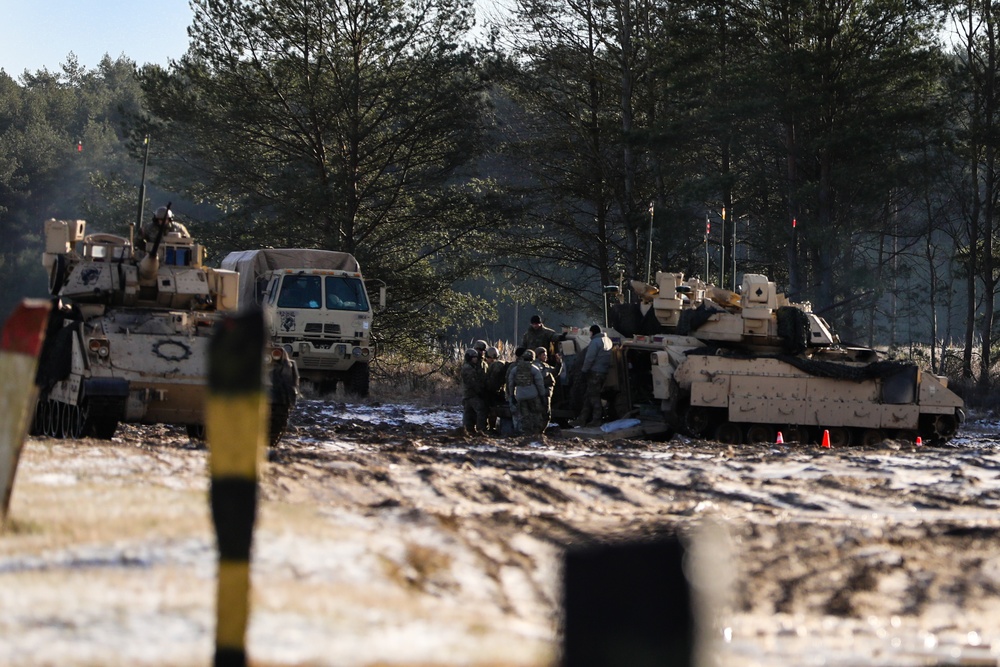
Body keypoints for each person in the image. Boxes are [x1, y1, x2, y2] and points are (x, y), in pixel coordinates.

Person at [572, 324, 613, 428]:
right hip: (603, 372)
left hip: (594, 372)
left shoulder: (595, 342)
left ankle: (596, 420)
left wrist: (584, 370)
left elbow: (589, 358)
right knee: (588, 395)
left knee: (594, 397)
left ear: (592, 332)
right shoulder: (608, 340)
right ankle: (582, 419)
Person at [506, 348, 547, 435]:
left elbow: (510, 383)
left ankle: (526, 433)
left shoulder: (515, 369)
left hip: (520, 396)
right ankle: (536, 433)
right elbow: (539, 384)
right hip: (533, 395)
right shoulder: (534, 368)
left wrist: (512, 396)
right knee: (537, 414)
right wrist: (542, 396)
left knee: (525, 416)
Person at [461, 348, 489, 436]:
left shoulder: (470, 366)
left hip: (468, 394)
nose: (476, 359)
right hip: (472, 394)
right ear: (469, 358)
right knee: (481, 410)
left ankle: (467, 430)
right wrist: (480, 391)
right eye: (474, 357)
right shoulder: (468, 368)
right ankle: (481, 429)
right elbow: (473, 382)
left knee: (468, 412)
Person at [484, 346, 508, 434]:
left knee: (491, 411)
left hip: (493, 392)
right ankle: (491, 427)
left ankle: (491, 427)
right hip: (495, 392)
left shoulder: (494, 366)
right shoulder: (500, 364)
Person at [533, 346, 557, 428]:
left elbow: (555, 372)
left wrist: (559, 363)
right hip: (542, 392)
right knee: (544, 412)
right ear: (538, 356)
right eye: (543, 355)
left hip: (546, 392)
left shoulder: (545, 365)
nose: (546, 356)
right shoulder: (537, 365)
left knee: (546, 412)